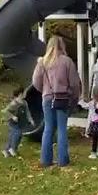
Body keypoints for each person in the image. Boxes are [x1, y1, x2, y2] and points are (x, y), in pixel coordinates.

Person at [32, 35, 81, 167]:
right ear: (62, 46)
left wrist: (45, 91)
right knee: (61, 129)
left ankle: (45, 160)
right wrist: (74, 98)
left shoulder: (42, 62)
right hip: (63, 98)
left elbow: (35, 82)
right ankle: (63, 161)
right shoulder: (67, 61)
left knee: (48, 128)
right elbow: (75, 84)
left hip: (47, 98)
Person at [1, 85, 35, 158]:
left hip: (20, 122)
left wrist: (30, 119)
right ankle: (12, 149)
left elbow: (27, 112)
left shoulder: (24, 102)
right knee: (17, 134)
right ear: (20, 94)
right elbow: (5, 111)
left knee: (14, 136)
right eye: (24, 92)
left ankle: (7, 150)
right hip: (13, 123)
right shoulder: (14, 103)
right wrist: (12, 116)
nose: (25, 94)